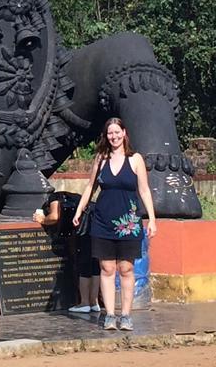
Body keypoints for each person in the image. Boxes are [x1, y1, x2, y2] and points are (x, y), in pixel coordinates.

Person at [71, 118, 157, 331]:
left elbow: (144, 190)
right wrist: (79, 209)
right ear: (106, 136)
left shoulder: (135, 159)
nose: (114, 136)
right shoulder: (101, 158)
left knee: (126, 268)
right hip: (102, 221)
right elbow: (90, 186)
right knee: (107, 268)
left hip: (129, 221)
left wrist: (152, 219)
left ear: (124, 133)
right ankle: (109, 314)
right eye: (110, 133)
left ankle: (125, 315)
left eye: (117, 132)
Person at [32, 189, 100, 315]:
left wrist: (42, 219)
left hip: (84, 229)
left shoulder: (54, 197)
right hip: (97, 225)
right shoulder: (73, 196)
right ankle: (94, 302)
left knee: (84, 265)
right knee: (95, 265)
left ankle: (84, 303)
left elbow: (54, 216)